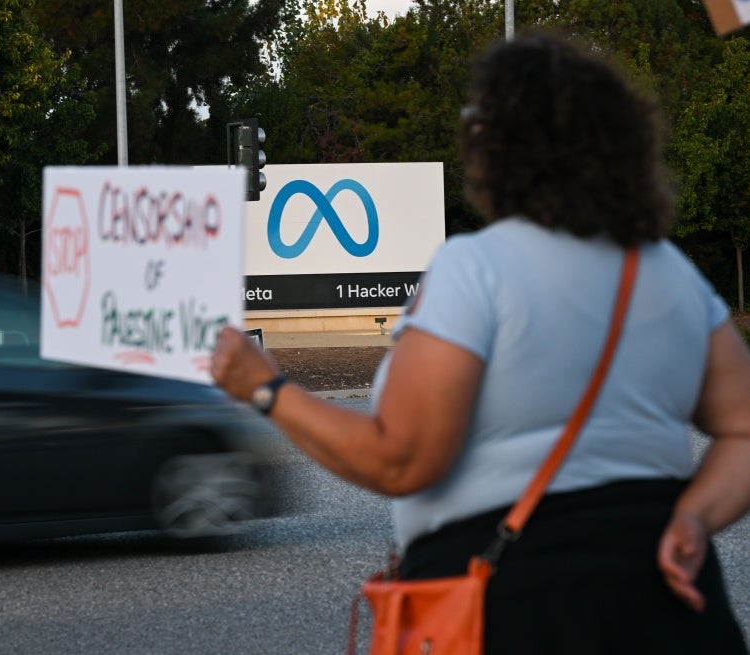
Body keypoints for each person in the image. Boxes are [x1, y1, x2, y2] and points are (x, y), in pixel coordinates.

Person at [211, 29, 750, 653]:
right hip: (676, 611)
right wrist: (694, 516)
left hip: (521, 609)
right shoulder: (667, 273)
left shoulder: (478, 269)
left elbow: (401, 459)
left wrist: (266, 387)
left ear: (499, 145)